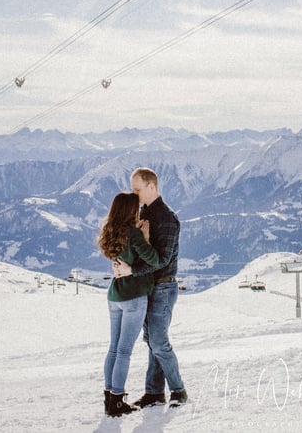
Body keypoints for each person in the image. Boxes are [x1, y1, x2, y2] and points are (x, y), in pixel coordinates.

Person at [112, 167, 188, 408]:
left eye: (137, 189)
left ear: (151, 186)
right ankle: (154, 392)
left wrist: (132, 271)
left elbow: (163, 259)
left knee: (159, 342)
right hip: (147, 287)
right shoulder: (142, 213)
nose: (134, 195)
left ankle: (179, 390)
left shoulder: (166, 218)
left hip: (163, 287)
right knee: (151, 340)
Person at [98, 192, 161, 418]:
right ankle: (117, 401)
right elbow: (154, 260)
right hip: (134, 296)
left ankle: (109, 398)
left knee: (113, 348)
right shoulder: (133, 235)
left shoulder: (110, 232)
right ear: (129, 211)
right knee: (124, 351)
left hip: (115, 295)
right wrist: (145, 237)